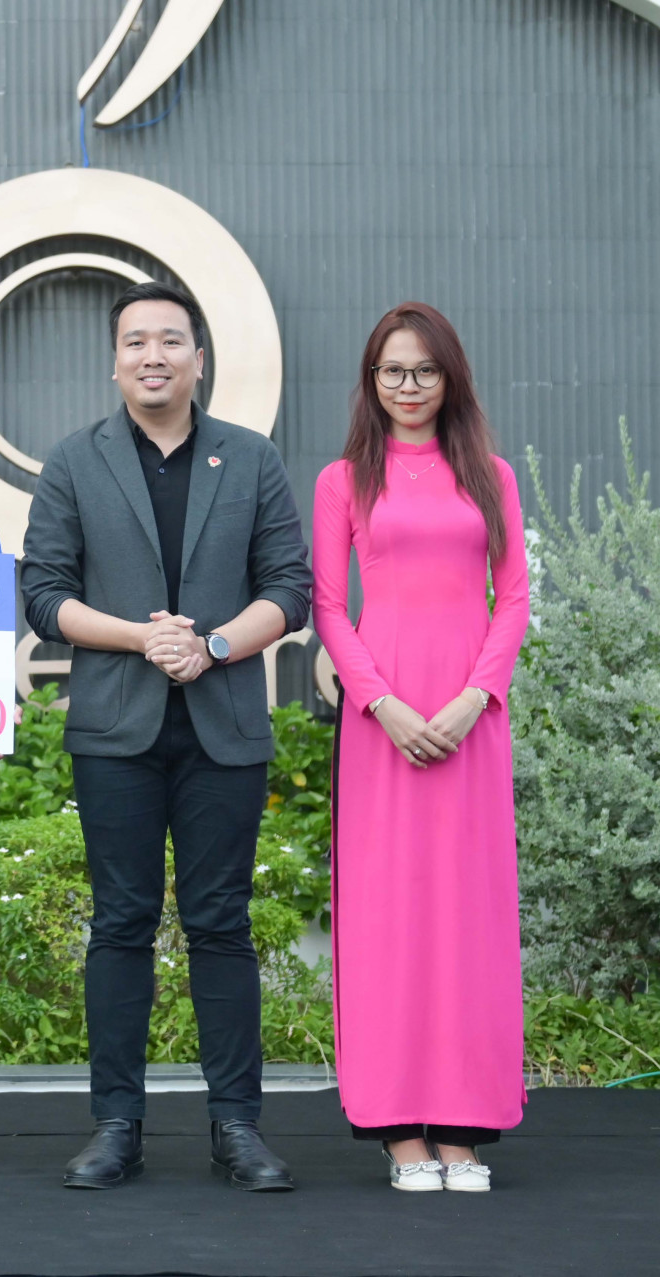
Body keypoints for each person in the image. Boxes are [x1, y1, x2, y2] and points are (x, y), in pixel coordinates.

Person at [20, 281, 311, 1192]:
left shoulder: (251, 457)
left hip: (222, 726)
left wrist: (215, 646)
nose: (154, 354)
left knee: (220, 923)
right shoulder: (75, 460)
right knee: (121, 923)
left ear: (197, 357)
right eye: (136, 340)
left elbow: (291, 585)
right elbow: (42, 595)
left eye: (170, 339)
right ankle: (117, 1123)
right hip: (116, 727)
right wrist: (144, 637)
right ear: (115, 362)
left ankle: (237, 1126)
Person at [312, 303, 529, 1192]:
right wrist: (383, 704)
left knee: (469, 918)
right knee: (387, 918)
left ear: (451, 378)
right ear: (371, 381)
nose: (407, 387)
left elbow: (511, 596)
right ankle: (401, 1128)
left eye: (423, 371)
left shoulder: (491, 476)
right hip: (383, 727)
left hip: (473, 721)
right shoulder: (342, 480)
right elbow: (329, 604)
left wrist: (478, 694)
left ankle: (464, 1127)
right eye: (391, 372)